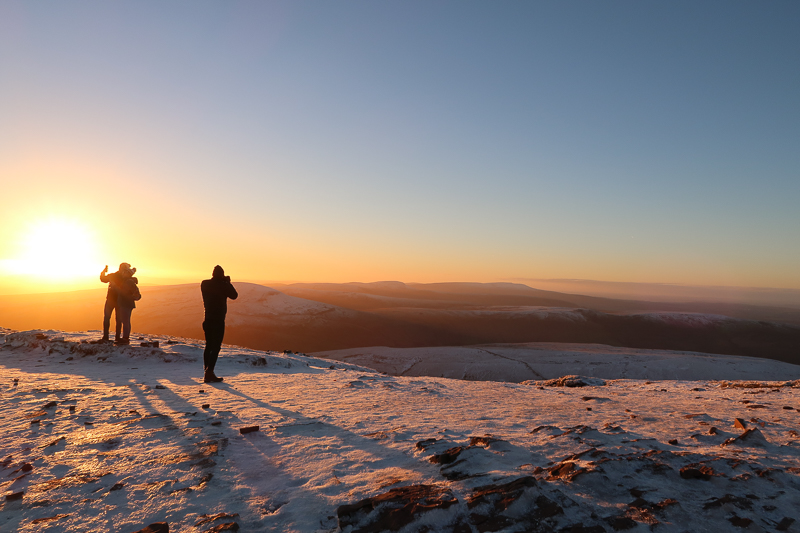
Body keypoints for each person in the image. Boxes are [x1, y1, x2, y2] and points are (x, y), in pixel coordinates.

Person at [200, 265, 238, 383]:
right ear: (221, 275)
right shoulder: (223, 285)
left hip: (207, 319)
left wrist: (223, 281)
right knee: (216, 346)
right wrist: (227, 282)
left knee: (208, 345)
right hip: (218, 320)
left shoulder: (205, 284)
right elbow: (234, 295)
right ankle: (209, 372)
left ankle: (207, 371)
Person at [99, 263, 129, 342]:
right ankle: (117, 337)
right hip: (119, 301)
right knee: (118, 320)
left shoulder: (113, 275)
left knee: (107, 318)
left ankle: (106, 337)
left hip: (110, 300)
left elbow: (103, 279)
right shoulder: (125, 278)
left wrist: (103, 272)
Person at [112, 265, 141, 345]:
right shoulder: (128, 281)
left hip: (126, 304)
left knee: (125, 321)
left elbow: (123, 292)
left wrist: (115, 287)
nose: (123, 274)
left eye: (124, 272)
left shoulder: (128, 282)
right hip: (127, 303)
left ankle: (125, 339)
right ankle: (125, 338)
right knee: (126, 321)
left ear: (127, 274)